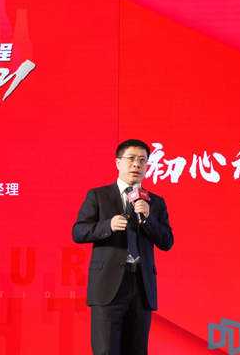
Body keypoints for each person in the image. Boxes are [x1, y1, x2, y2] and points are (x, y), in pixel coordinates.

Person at [72, 139, 174, 355]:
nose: (137, 164)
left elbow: (167, 241)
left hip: (142, 286)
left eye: (142, 160)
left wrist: (148, 218)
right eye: (131, 158)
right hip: (108, 286)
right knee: (106, 350)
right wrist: (107, 225)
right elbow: (78, 231)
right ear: (118, 162)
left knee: (137, 350)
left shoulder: (155, 202)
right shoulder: (98, 195)